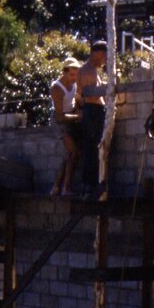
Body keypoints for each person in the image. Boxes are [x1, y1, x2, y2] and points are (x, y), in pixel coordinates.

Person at [77, 40, 108, 190]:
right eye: (104, 56)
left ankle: (92, 182)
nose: (105, 60)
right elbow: (90, 95)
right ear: (98, 53)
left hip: (94, 111)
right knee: (92, 147)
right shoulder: (88, 71)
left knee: (95, 146)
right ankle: (90, 184)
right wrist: (106, 90)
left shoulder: (92, 70)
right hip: (92, 111)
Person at [50, 57, 83, 195]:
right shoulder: (57, 88)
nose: (74, 77)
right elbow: (59, 116)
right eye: (71, 74)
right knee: (73, 152)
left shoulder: (75, 84)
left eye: (76, 74)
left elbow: (77, 101)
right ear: (64, 72)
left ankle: (57, 187)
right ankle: (66, 188)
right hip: (60, 121)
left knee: (70, 154)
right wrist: (78, 117)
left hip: (71, 118)